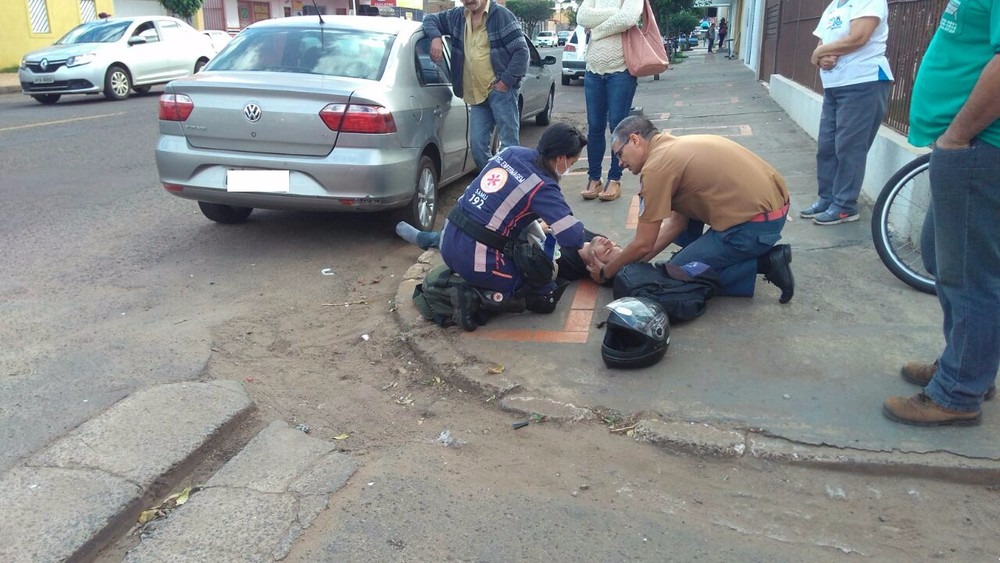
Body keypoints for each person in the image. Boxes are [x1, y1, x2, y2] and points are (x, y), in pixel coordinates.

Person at [881, 0, 1000, 427]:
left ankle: (958, 392)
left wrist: (958, 136)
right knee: (940, 257)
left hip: (980, 146)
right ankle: (967, 364)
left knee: (970, 274)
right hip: (968, 147)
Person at [588, 115, 795, 303]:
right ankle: (701, 255)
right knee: (678, 248)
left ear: (634, 139)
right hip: (773, 212)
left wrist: (607, 273)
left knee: (676, 277)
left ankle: (766, 263)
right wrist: (629, 267)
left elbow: (644, 243)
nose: (620, 163)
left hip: (755, 227)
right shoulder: (672, 147)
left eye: (619, 154)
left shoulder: (656, 168)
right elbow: (678, 224)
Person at [438, 123, 589, 330]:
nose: (568, 169)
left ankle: (472, 283)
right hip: (475, 257)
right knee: (544, 294)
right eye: (571, 162)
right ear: (561, 158)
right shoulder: (542, 186)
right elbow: (572, 238)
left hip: (448, 237)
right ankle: (474, 298)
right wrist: (582, 234)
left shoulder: (510, 152)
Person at [802, 0, 893, 226]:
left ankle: (844, 206)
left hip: (864, 81)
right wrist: (821, 55)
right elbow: (824, 39)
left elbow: (859, 37)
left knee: (849, 147)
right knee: (827, 146)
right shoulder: (835, 5)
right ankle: (827, 198)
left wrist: (819, 52)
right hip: (835, 85)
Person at [422, 0, 529, 171]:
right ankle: (493, 184)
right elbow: (429, 20)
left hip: (500, 91)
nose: (468, 1)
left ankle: (511, 188)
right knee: (478, 147)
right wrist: (436, 37)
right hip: (476, 94)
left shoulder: (501, 16)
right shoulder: (457, 16)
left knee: (509, 146)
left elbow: (522, 52)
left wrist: (505, 81)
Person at [576, 0, 643, 202]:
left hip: (621, 71)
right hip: (593, 70)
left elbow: (628, 18)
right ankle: (594, 178)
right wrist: (614, 12)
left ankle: (615, 179)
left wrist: (596, 31)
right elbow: (582, 17)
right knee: (594, 127)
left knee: (618, 127)